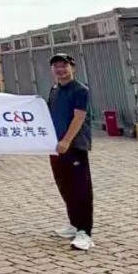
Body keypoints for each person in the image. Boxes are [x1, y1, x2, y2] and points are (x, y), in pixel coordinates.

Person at [46, 52, 94, 251]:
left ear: (72, 68)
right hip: (56, 146)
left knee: (80, 188)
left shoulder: (80, 90)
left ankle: (84, 231)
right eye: (56, 66)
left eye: (64, 66)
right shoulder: (54, 89)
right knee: (64, 185)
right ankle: (74, 223)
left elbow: (79, 117)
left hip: (74, 146)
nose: (60, 69)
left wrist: (66, 140)